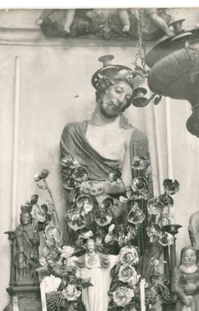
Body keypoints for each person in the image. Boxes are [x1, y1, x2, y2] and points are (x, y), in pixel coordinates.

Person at [59, 58, 151, 239]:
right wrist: (100, 192)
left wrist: (100, 189)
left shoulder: (133, 137)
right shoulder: (74, 132)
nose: (120, 100)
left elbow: (130, 185)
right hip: (83, 221)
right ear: (103, 90)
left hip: (117, 225)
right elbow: (71, 180)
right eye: (118, 91)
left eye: (127, 98)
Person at [68, 237, 118, 311]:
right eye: (89, 245)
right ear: (86, 246)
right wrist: (70, 259)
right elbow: (75, 262)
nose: (90, 247)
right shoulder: (84, 257)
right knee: (91, 296)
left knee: (100, 295)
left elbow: (109, 258)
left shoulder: (100, 256)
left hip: (99, 278)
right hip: (89, 279)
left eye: (92, 245)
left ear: (94, 246)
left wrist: (119, 257)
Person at [13, 210, 39, 283]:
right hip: (21, 249)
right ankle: (20, 275)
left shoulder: (33, 228)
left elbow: (36, 241)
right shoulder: (18, 228)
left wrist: (35, 239)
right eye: (23, 217)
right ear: (21, 218)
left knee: (30, 261)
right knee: (20, 257)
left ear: (30, 218)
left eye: (27, 217)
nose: (25, 219)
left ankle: (30, 276)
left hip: (30, 249)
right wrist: (20, 246)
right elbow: (17, 238)